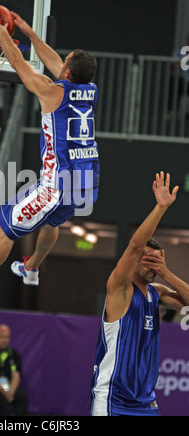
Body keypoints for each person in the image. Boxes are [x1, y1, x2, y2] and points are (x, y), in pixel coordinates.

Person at [0, 12, 100, 307]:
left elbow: (19, 65)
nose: (60, 62)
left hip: (56, 185)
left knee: (5, 228)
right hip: (85, 181)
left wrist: (3, 33)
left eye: (65, 62)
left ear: (67, 73)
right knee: (51, 223)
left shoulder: (51, 93)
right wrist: (31, 34)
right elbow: (55, 63)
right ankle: (32, 268)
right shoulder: (89, 90)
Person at [91, 171, 189, 417]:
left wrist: (166, 273)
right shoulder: (120, 287)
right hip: (113, 398)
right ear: (135, 262)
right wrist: (161, 207)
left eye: (157, 262)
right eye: (148, 261)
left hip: (146, 403)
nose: (152, 267)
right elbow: (135, 245)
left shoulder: (156, 293)